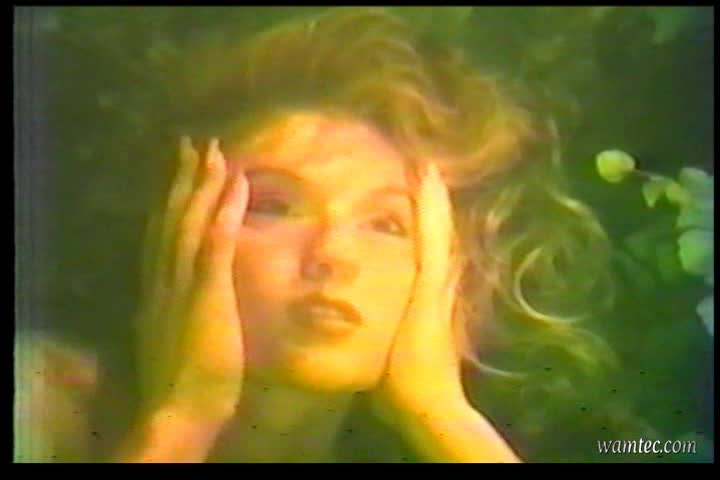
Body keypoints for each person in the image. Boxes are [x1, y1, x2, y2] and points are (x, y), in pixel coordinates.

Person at [18, 7, 621, 463]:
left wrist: (443, 416)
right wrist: (182, 419)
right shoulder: (39, 404)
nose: (333, 256)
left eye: (387, 224)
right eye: (275, 208)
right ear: (175, 222)